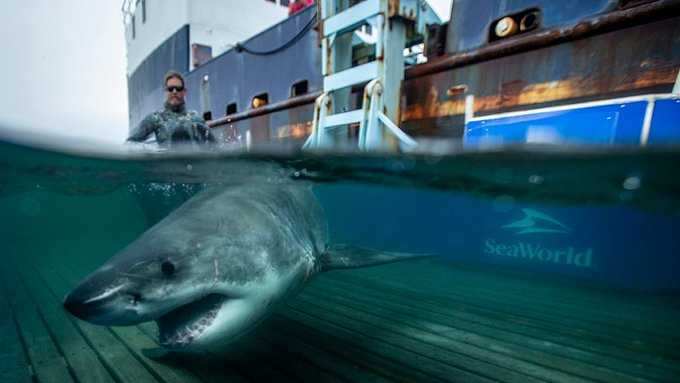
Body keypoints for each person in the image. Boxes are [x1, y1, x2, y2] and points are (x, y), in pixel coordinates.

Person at [127, 71, 215, 148]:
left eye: (178, 89)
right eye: (170, 89)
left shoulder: (195, 118)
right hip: (167, 164)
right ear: (166, 91)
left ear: (184, 92)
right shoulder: (156, 118)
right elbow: (130, 143)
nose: (174, 92)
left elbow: (214, 146)